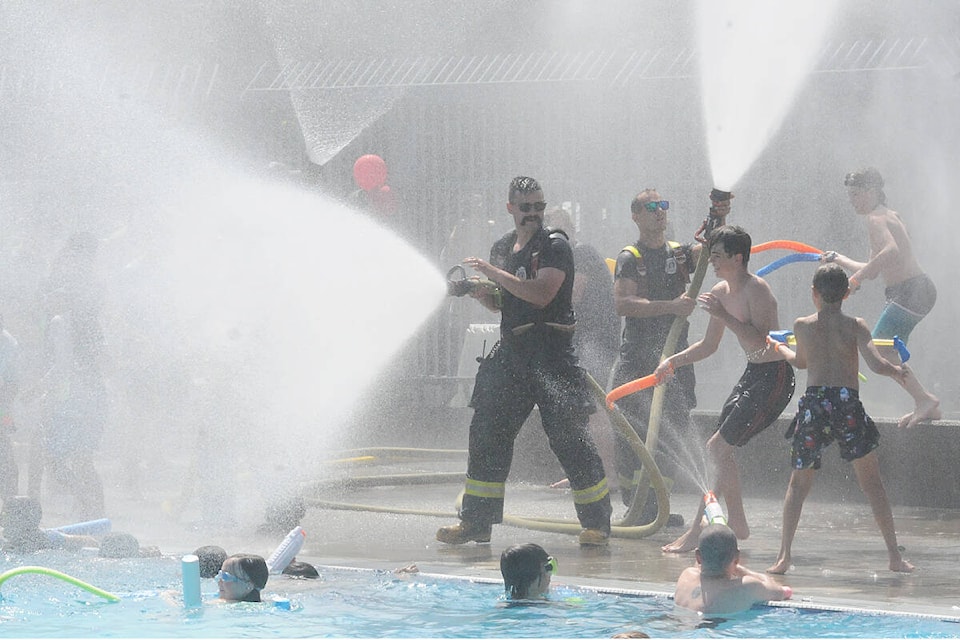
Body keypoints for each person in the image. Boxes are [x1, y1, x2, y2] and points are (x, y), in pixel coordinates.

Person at [436, 176, 612, 547]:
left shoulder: (555, 246)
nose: (533, 214)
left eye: (538, 207)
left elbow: (541, 293)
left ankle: (597, 524)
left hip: (551, 353)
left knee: (570, 439)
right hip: (513, 352)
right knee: (487, 433)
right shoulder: (502, 247)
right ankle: (476, 522)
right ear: (510, 208)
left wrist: (492, 274)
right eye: (526, 207)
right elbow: (505, 300)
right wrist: (477, 290)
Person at [766, 264, 915, 575]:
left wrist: (781, 348)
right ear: (847, 293)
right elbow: (875, 364)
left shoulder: (802, 325)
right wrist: (897, 372)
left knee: (797, 485)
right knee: (873, 484)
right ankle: (893, 557)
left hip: (815, 404)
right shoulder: (856, 325)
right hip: (847, 404)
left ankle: (784, 557)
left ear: (814, 293)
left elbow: (802, 363)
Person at [657, 225, 795, 553]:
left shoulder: (758, 291)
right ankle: (739, 522)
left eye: (717, 256)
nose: (712, 262)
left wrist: (724, 315)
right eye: (711, 255)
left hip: (774, 376)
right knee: (720, 448)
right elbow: (709, 345)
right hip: (753, 374)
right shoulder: (720, 292)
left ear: (737, 257)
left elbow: (763, 341)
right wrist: (672, 361)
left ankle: (698, 530)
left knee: (716, 447)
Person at [610, 189, 708, 524]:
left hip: (675, 358)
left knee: (674, 429)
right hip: (638, 358)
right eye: (651, 207)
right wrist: (672, 307)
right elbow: (623, 304)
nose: (659, 212)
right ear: (635, 215)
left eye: (663, 205)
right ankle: (636, 505)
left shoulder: (680, 254)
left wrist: (718, 216)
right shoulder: (630, 257)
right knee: (631, 430)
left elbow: (710, 250)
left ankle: (657, 503)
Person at [821, 167, 939, 429]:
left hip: (911, 291)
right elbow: (877, 266)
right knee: (884, 350)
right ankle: (924, 402)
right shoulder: (887, 215)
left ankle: (925, 400)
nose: (851, 200)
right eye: (849, 195)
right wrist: (838, 259)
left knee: (880, 350)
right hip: (915, 290)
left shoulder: (875, 219)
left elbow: (890, 251)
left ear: (871, 191)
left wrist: (854, 281)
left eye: (855, 194)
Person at [30, 232, 109, 519]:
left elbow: (63, 367)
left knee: (57, 460)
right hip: (92, 396)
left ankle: (88, 507)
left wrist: (47, 392)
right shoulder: (88, 323)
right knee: (82, 460)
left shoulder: (61, 322)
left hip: (73, 399)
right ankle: (95, 513)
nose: (49, 299)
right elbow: (101, 362)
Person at [543, 206, 620, 489]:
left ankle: (608, 475)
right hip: (583, 340)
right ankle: (586, 473)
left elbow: (572, 296)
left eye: (558, 230)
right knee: (581, 407)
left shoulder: (581, 254)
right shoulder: (566, 257)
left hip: (596, 341)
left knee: (595, 405)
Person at [674, 523, 791, 615]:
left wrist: (708, 530)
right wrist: (738, 568)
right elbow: (778, 590)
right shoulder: (747, 586)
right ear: (737, 557)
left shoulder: (686, 577)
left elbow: (701, 565)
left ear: (698, 556)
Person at [0, 495, 99, 553]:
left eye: (5, 514)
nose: (1, 519)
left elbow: (89, 541)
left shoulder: (45, 538)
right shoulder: (45, 537)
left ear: (21, 519)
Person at [0, 316, 20, 500]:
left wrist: (5, 410)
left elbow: (12, 383)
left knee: (4, 445)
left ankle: (10, 499)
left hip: (2, 405)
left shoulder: (7, 343)